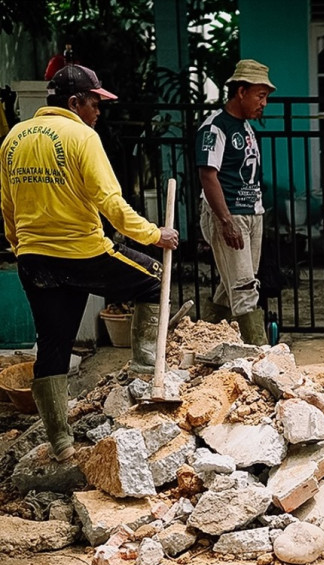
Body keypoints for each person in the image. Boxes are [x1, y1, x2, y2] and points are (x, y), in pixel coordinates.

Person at [0, 64, 179, 461]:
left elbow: (7, 207)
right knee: (152, 277)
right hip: (82, 253)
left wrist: (20, 249)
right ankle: (143, 366)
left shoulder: (12, 139)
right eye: (95, 102)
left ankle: (61, 442)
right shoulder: (82, 136)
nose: (99, 111)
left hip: (34, 260)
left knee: (53, 343)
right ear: (74, 102)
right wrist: (154, 234)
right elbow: (110, 203)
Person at [196, 59, 275, 345]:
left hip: (252, 213)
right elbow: (208, 174)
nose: (263, 103)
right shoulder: (215, 127)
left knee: (234, 282)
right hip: (230, 214)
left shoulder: (246, 127)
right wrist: (225, 220)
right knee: (243, 287)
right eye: (260, 95)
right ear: (241, 91)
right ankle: (261, 353)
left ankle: (202, 338)